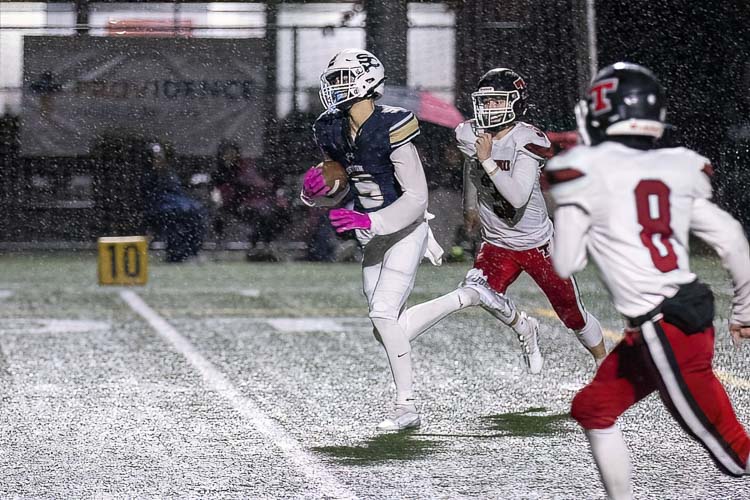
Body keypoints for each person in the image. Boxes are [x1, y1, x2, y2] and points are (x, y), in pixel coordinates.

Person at [546, 62, 750, 499]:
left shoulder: (585, 171)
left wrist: (570, 204)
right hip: (675, 315)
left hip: (663, 326)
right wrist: (746, 310)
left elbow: (565, 261)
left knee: (736, 454)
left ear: (601, 112)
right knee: (593, 408)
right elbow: (732, 238)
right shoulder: (675, 167)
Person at [398, 68, 607, 373]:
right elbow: (473, 169)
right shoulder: (469, 134)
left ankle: (603, 363)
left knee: (573, 314)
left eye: (497, 101)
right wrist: (470, 204)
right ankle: (524, 326)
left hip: (537, 244)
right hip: (496, 243)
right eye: (485, 101)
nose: (489, 107)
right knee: (478, 292)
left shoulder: (527, 139)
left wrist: (487, 158)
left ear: (515, 102)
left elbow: (518, 197)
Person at [300, 48, 443, 431]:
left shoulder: (392, 124)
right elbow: (341, 187)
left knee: (382, 313)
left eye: (342, 78)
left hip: (407, 228)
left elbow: (417, 198)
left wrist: (368, 219)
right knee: (385, 326)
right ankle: (465, 298)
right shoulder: (331, 127)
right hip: (373, 234)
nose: (333, 87)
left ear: (367, 82)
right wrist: (313, 192)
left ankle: (406, 407)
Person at [211, 140, 289, 259]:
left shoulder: (244, 168)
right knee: (257, 215)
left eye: (233, 153)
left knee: (272, 215)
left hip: (248, 203)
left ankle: (262, 247)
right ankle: (256, 247)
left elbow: (258, 186)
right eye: (227, 153)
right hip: (233, 205)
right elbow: (217, 191)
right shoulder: (218, 173)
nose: (230, 156)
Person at [142, 142, 207, 263]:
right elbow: (152, 196)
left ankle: (192, 252)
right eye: (155, 157)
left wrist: (185, 206)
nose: (158, 160)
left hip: (178, 206)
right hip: (160, 208)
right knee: (173, 219)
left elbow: (178, 192)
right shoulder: (147, 175)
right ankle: (176, 254)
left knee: (198, 214)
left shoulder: (169, 172)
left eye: (160, 156)